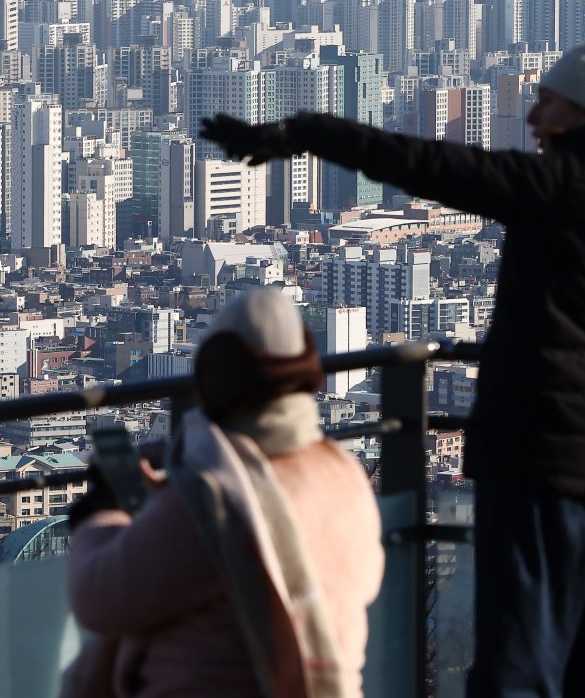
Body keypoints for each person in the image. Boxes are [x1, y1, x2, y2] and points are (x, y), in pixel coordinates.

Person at [202, 37, 585, 698]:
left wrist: (304, 132)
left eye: (546, 103)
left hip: (535, 458)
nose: (532, 119)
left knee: (517, 661)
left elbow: (426, 164)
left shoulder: (556, 186)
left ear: (582, 111)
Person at [64, 287, 384, 698]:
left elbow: (98, 596)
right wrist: (168, 496)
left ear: (215, 378)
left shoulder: (216, 501)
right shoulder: (344, 473)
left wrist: (101, 510)